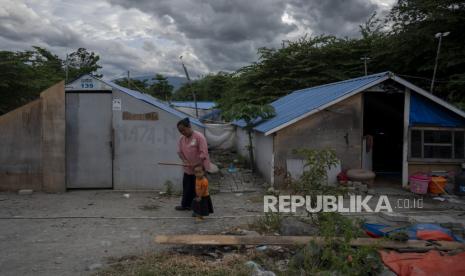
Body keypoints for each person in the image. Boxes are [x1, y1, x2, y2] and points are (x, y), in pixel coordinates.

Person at [175, 118, 211, 211]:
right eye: (180, 131)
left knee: (200, 188)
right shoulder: (181, 139)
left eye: (183, 130)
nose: (182, 132)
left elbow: (204, 153)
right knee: (187, 187)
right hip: (188, 168)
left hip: (199, 168)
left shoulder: (199, 137)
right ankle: (186, 205)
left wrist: (195, 164)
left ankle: (201, 208)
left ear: (189, 127)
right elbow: (179, 152)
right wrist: (185, 161)